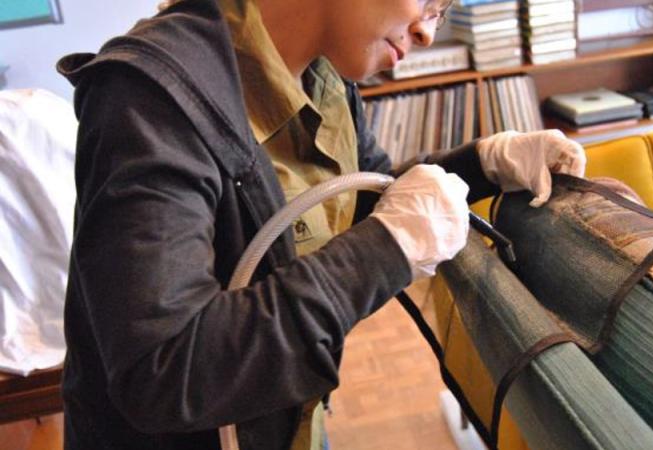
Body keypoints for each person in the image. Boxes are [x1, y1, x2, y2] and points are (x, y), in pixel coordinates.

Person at [56, 0, 586, 449]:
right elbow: (166, 372)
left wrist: (483, 163)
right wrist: (388, 247)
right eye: (430, 0)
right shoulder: (152, 99)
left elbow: (359, 203)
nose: (427, 30)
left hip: (284, 417)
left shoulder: (321, 78)